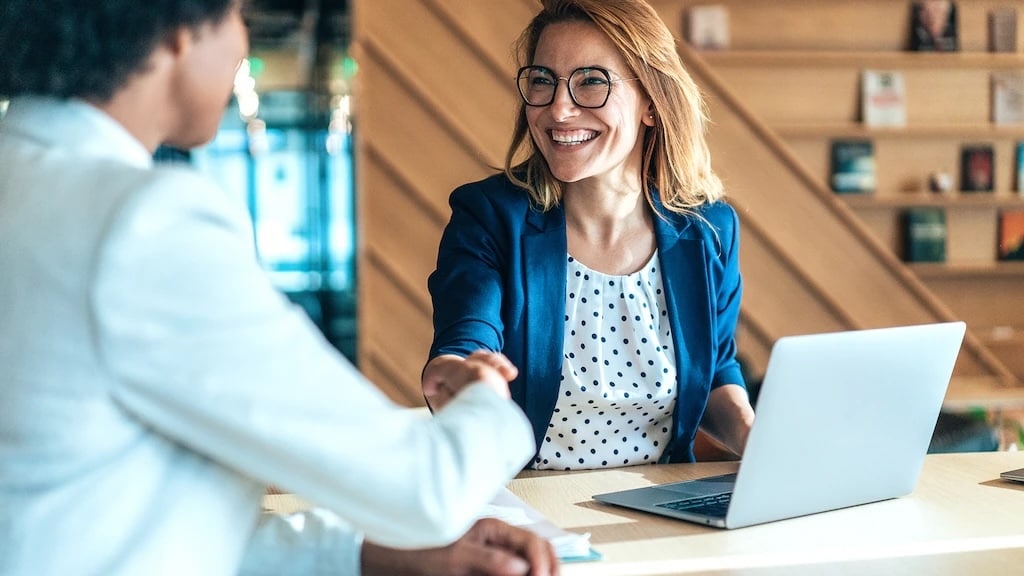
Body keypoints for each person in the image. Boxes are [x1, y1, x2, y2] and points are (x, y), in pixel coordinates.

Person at [0, 2, 558, 575]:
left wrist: (368, 556)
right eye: (237, 14)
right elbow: (428, 493)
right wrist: (485, 398)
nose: (243, 41)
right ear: (175, 33)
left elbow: (93, 516)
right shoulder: (142, 222)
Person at [423, 0, 755, 470]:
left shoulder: (709, 229)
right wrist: (460, 375)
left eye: (591, 82)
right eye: (543, 81)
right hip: (529, 507)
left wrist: (755, 437)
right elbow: (467, 339)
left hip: (660, 507)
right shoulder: (490, 215)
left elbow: (717, 368)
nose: (559, 109)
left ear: (652, 104)